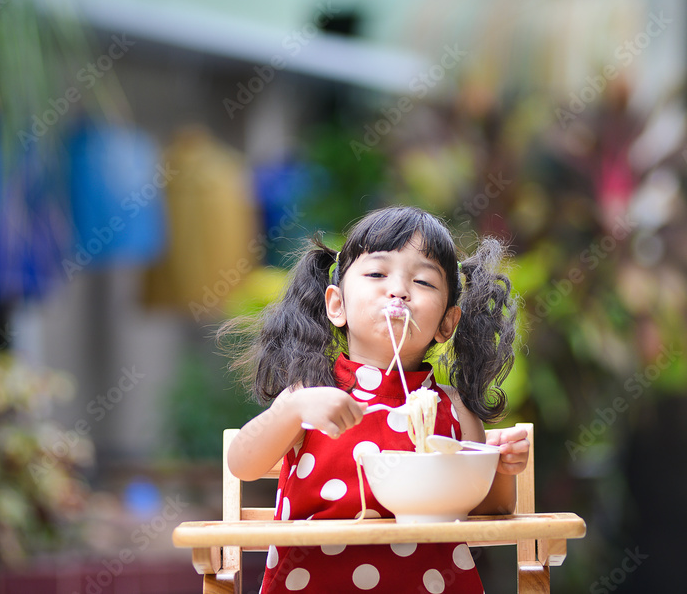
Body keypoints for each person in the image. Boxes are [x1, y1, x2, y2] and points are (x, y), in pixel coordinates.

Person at [223, 206, 529, 593]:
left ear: (447, 323)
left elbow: (489, 510)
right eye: (376, 274)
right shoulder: (311, 396)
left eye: (423, 281)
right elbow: (243, 465)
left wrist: (501, 466)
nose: (399, 290)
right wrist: (290, 409)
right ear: (337, 305)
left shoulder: (454, 409)